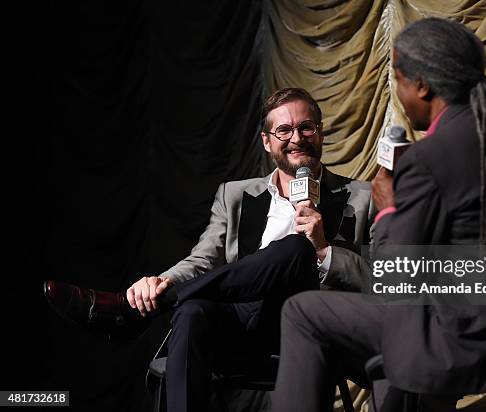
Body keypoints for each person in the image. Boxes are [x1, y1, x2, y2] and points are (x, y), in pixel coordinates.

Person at [271, 18, 486, 412]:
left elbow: (393, 281)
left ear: (422, 85)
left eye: (399, 79)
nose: (400, 92)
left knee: (302, 311)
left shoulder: (430, 157)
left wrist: (388, 205)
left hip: (461, 338)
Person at [44, 87, 374, 412]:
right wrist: (159, 282)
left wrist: (323, 251)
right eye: (284, 130)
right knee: (192, 312)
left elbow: (386, 278)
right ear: (267, 141)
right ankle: (162, 302)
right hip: (241, 328)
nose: (296, 138)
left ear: (320, 133)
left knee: (296, 249)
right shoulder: (235, 196)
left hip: (308, 326)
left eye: (306, 128)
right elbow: (202, 260)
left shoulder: (362, 197)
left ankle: (132, 313)